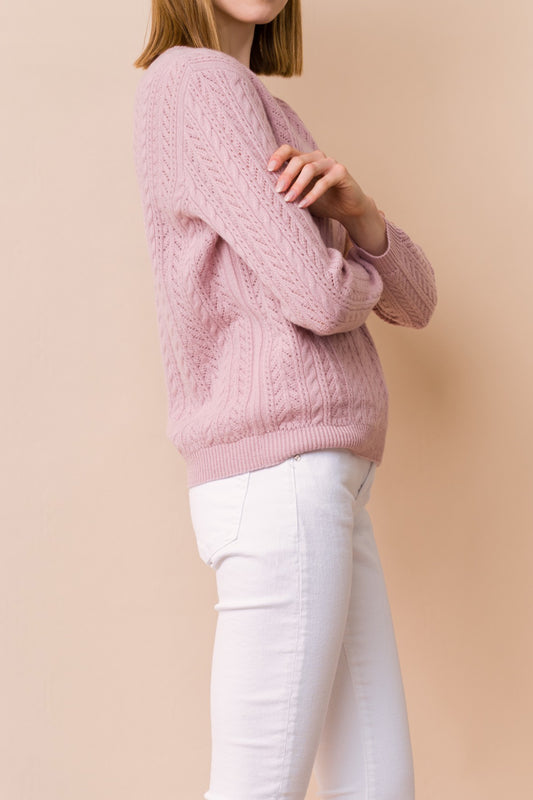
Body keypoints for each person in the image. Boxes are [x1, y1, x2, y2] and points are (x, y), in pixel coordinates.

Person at [132, 1, 437, 798]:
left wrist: (361, 217)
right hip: (281, 481)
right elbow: (320, 296)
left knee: (378, 785)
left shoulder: (261, 104)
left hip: (322, 483)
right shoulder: (195, 83)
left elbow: (417, 302)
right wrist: (352, 272)